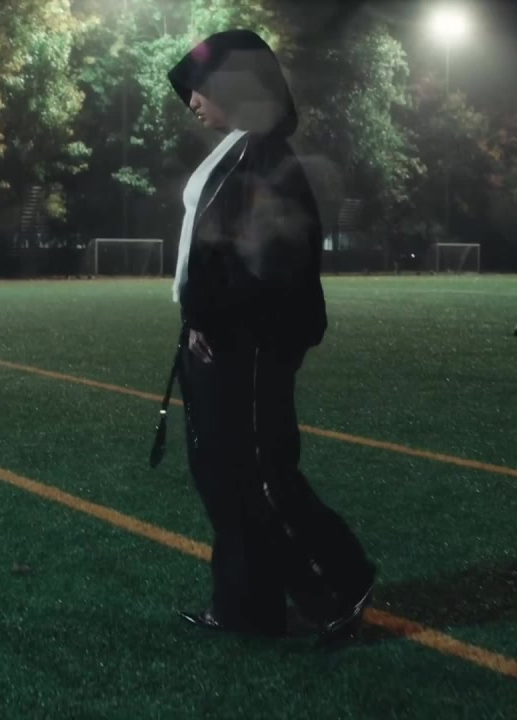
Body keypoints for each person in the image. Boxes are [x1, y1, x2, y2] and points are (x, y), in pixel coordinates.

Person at [158, 29, 374, 643]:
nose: (191, 100)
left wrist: (217, 320)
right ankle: (245, 605)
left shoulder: (268, 158)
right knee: (218, 473)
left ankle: (341, 583)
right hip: (217, 338)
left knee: (259, 471)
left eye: (200, 87)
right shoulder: (240, 148)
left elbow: (271, 263)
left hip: (249, 341)